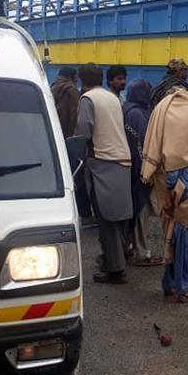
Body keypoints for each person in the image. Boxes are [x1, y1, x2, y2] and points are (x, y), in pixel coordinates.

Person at [142, 72, 188, 301]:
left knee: (171, 233)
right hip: (182, 185)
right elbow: (177, 154)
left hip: (165, 182)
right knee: (185, 238)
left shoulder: (168, 102)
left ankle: (170, 283)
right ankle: (184, 288)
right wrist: (175, 189)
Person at [71, 63, 133, 284]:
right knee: (119, 218)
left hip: (102, 163)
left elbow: (83, 132)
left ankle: (115, 269)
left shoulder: (87, 99)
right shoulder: (112, 98)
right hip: (123, 161)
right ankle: (113, 261)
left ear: (81, 80)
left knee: (105, 219)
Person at [122, 78, 158, 267]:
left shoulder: (129, 108)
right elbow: (142, 145)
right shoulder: (138, 114)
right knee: (140, 213)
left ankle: (127, 247)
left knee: (135, 212)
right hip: (139, 171)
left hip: (130, 169)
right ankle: (141, 253)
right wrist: (145, 172)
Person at [50, 66, 93, 221]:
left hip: (57, 138)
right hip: (71, 138)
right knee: (79, 176)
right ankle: (85, 214)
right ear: (72, 77)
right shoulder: (71, 91)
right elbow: (78, 115)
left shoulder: (51, 88)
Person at [50, 66, 80, 139]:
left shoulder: (52, 87)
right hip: (67, 132)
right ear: (70, 77)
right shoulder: (72, 90)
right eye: (75, 78)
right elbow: (76, 112)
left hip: (53, 129)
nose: (76, 81)